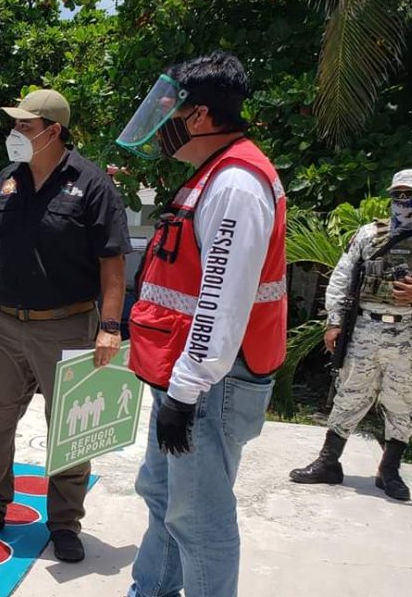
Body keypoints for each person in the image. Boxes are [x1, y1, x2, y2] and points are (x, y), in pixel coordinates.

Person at [116, 51, 287, 597]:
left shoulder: (236, 185)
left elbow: (221, 301)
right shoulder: (212, 176)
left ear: (200, 117)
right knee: (165, 500)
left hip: (209, 384)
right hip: (186, 378)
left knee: (200, 519)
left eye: (171, 112)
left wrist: (186, 395)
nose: (163, 126)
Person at [0, 89, 131, 563]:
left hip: (68, 327)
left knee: (71, 428)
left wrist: (110, 326)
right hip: (3, 325)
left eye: (24, 126)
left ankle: (64, 523)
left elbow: (111, 263)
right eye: (14, 125)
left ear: (53, 131)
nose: (15, 134)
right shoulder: (5, 181)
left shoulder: (92, 185)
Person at [290, 169, 412, 502]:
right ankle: (328, 462)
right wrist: (333, 322)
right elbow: (341, 277)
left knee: (401, 402)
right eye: (399, 194)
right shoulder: (368, 234)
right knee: (349, 394)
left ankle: (389, 470)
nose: (403, 201)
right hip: (366, 327)